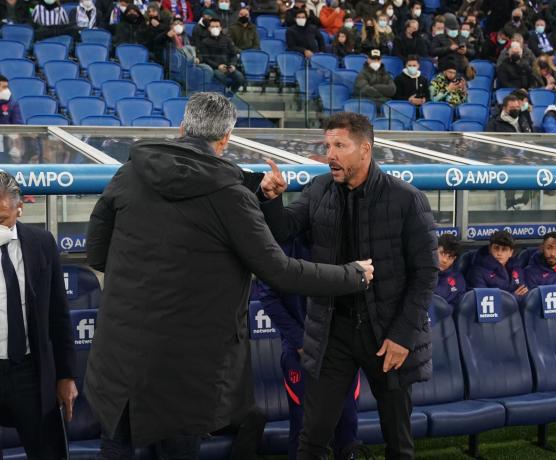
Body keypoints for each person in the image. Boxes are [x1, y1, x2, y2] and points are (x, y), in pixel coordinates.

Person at [84, 93, 374, 458]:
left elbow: (97, 253)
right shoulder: (229, 196)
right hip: (186, 368)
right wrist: (352, 275)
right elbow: (280, 270)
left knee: (116, 447)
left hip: (120, 360)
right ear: (225, 140)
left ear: (182, 128)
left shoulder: (128, 174)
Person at [259, 112, 437, 460]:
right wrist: (272, 199)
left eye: (340, 145)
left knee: (399, 443)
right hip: (332, 333)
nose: (331, 155)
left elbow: (425, 274)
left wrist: (402, 336)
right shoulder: (319, 189)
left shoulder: (406, 199)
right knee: (312, 440)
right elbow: (283, 230)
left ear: (365, 150)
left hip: (387, 336)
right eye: (327, 145)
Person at [257, 238, 360, 460]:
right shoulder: (283, 240)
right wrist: (301, 341)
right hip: (300, 353)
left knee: (347, 424)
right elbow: (267, 295)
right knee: (305, 428)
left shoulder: (345, 234)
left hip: (342, 351)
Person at [0, 172, 77, 460]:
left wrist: (67, 375)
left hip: (30, 373)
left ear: (20, 209)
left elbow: (59, 315)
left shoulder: (42, 244)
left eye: (2, 218)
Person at [468, 230, 528, 298]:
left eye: (504, 249)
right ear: (490, 249)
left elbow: (524, 294)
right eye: (496, 248)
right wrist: (513, 297)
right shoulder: (477, 271)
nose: (499, 253)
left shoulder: (517, 269)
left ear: (511, 253)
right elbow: (483, 299)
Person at [198, 18, 246, 92]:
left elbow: (234, 54)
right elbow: (206, 58)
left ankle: (230, 93)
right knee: (221, 76)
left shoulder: (227, 40)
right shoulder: (204, 42)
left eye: (217, 26)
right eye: (212, 27)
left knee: (240, 77)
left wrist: (233, 65)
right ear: (209, 28)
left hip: (228, 66)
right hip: (214, 68)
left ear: (220, 28)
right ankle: (224, 93)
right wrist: (218, 66)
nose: (215, 28)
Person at [435, 233, 466, 309]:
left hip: (447, 319)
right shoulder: (421, 274)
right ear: (435, 250)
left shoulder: (458, 279)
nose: (445, 260)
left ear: (455, 259)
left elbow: (459, 307)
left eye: (450, 257)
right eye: (442, 253)